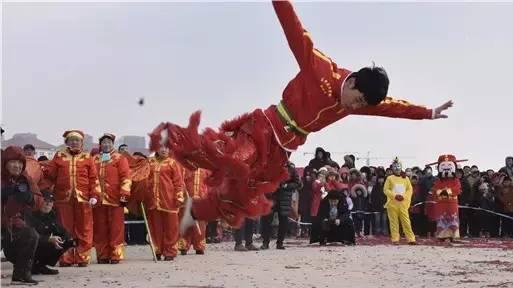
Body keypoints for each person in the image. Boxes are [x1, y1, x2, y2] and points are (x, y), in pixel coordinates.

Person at [155, 0, 453, 234]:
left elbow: (394, 107)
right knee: (236, 159)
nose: (356, 107)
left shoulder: (361, 102)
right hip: (267, 127)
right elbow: (292, 25)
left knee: (242, 194)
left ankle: (195, 212)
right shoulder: (320, 68)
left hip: (284, 148)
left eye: (362, 105)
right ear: (351, 83)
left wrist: (428, 113)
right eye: (358, 99)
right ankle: (175, 135)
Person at [41, 130, 100, 267]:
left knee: (84, 228)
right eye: (71, 140)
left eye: (77, 140)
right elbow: (50, 176)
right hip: (63, 199)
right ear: (66, 142)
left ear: (81, 143)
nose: (74, 142)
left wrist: (95, 195)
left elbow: (94, 179)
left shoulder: (87, 157)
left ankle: (82, 257)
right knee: (63, 228)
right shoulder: (59, 156)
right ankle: (65, 257)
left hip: (83, 199)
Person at [1, 146, 44, 284]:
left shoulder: (25, 178)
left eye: (20, 163)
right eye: (13, 162)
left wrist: (30, 198)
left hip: (13, 224)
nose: (17, 166)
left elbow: (40, 201)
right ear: (5, 163)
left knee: (30, 235)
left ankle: (21, 274)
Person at [92, 134, 132, 264]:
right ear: (100, 144)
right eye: (104, 142)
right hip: (98, 199)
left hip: (115, 199)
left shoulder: (120, 158)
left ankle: (115, 255)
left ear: (112, 144)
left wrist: (124, 194)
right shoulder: (95, 159)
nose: (106, 144)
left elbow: (126, 177)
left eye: (109, 142)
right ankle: (102, 255)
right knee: (100, 228)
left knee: (116, 228)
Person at [144, 146, 185, 261]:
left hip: (169, 200)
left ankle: (170, 251)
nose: (163, 150)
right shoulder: (150, 162)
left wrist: (179, 197)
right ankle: (157, 250)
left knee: (171, 228)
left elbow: (178, 182)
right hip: (153, 200)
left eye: (166, 148)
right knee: (155, 227)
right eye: (161, 147)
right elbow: (144, 178)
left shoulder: (173, 163)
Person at [25, 190, 75, 275]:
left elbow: (62, 230)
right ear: (39, 201)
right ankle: (29, 267)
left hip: (41, 245)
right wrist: (48, 239)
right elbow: (28, 236)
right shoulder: (30, 214)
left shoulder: (51, 215)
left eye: (51, 202)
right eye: (45, 201)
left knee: (68, 242)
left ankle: (40, 266)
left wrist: (66, 239)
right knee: (34, 241)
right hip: (25, 248)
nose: (48, 204)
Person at [260, 162, 302, 249]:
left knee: (283, 222)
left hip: (284, 198)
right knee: (266, 220)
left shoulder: (290, 168)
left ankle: (280, 243)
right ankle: (265, 242)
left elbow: (298, 183)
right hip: (271, 196)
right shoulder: (269, 166)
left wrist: (287, 185)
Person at [178, 168, 210, 255]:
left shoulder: (206, 168)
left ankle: (199, 246)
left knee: (201, 224)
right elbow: (180, 180)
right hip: (187, 199)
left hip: (201, 200)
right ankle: (183, 246)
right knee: (185, 222)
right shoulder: (185, 167)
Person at [384, 160, 416, 244]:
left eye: (398, 167)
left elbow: (409, 190)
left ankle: (411, 239)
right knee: (394, 222)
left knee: (406, 222)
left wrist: (404, 196)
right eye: (395, 167)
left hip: (403, 204)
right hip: (392, 204)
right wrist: (394, 196)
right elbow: (386, 190)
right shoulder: (389, 178)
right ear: (392, 168)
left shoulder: (405, 178)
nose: (397, 169)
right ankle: (395, 239)